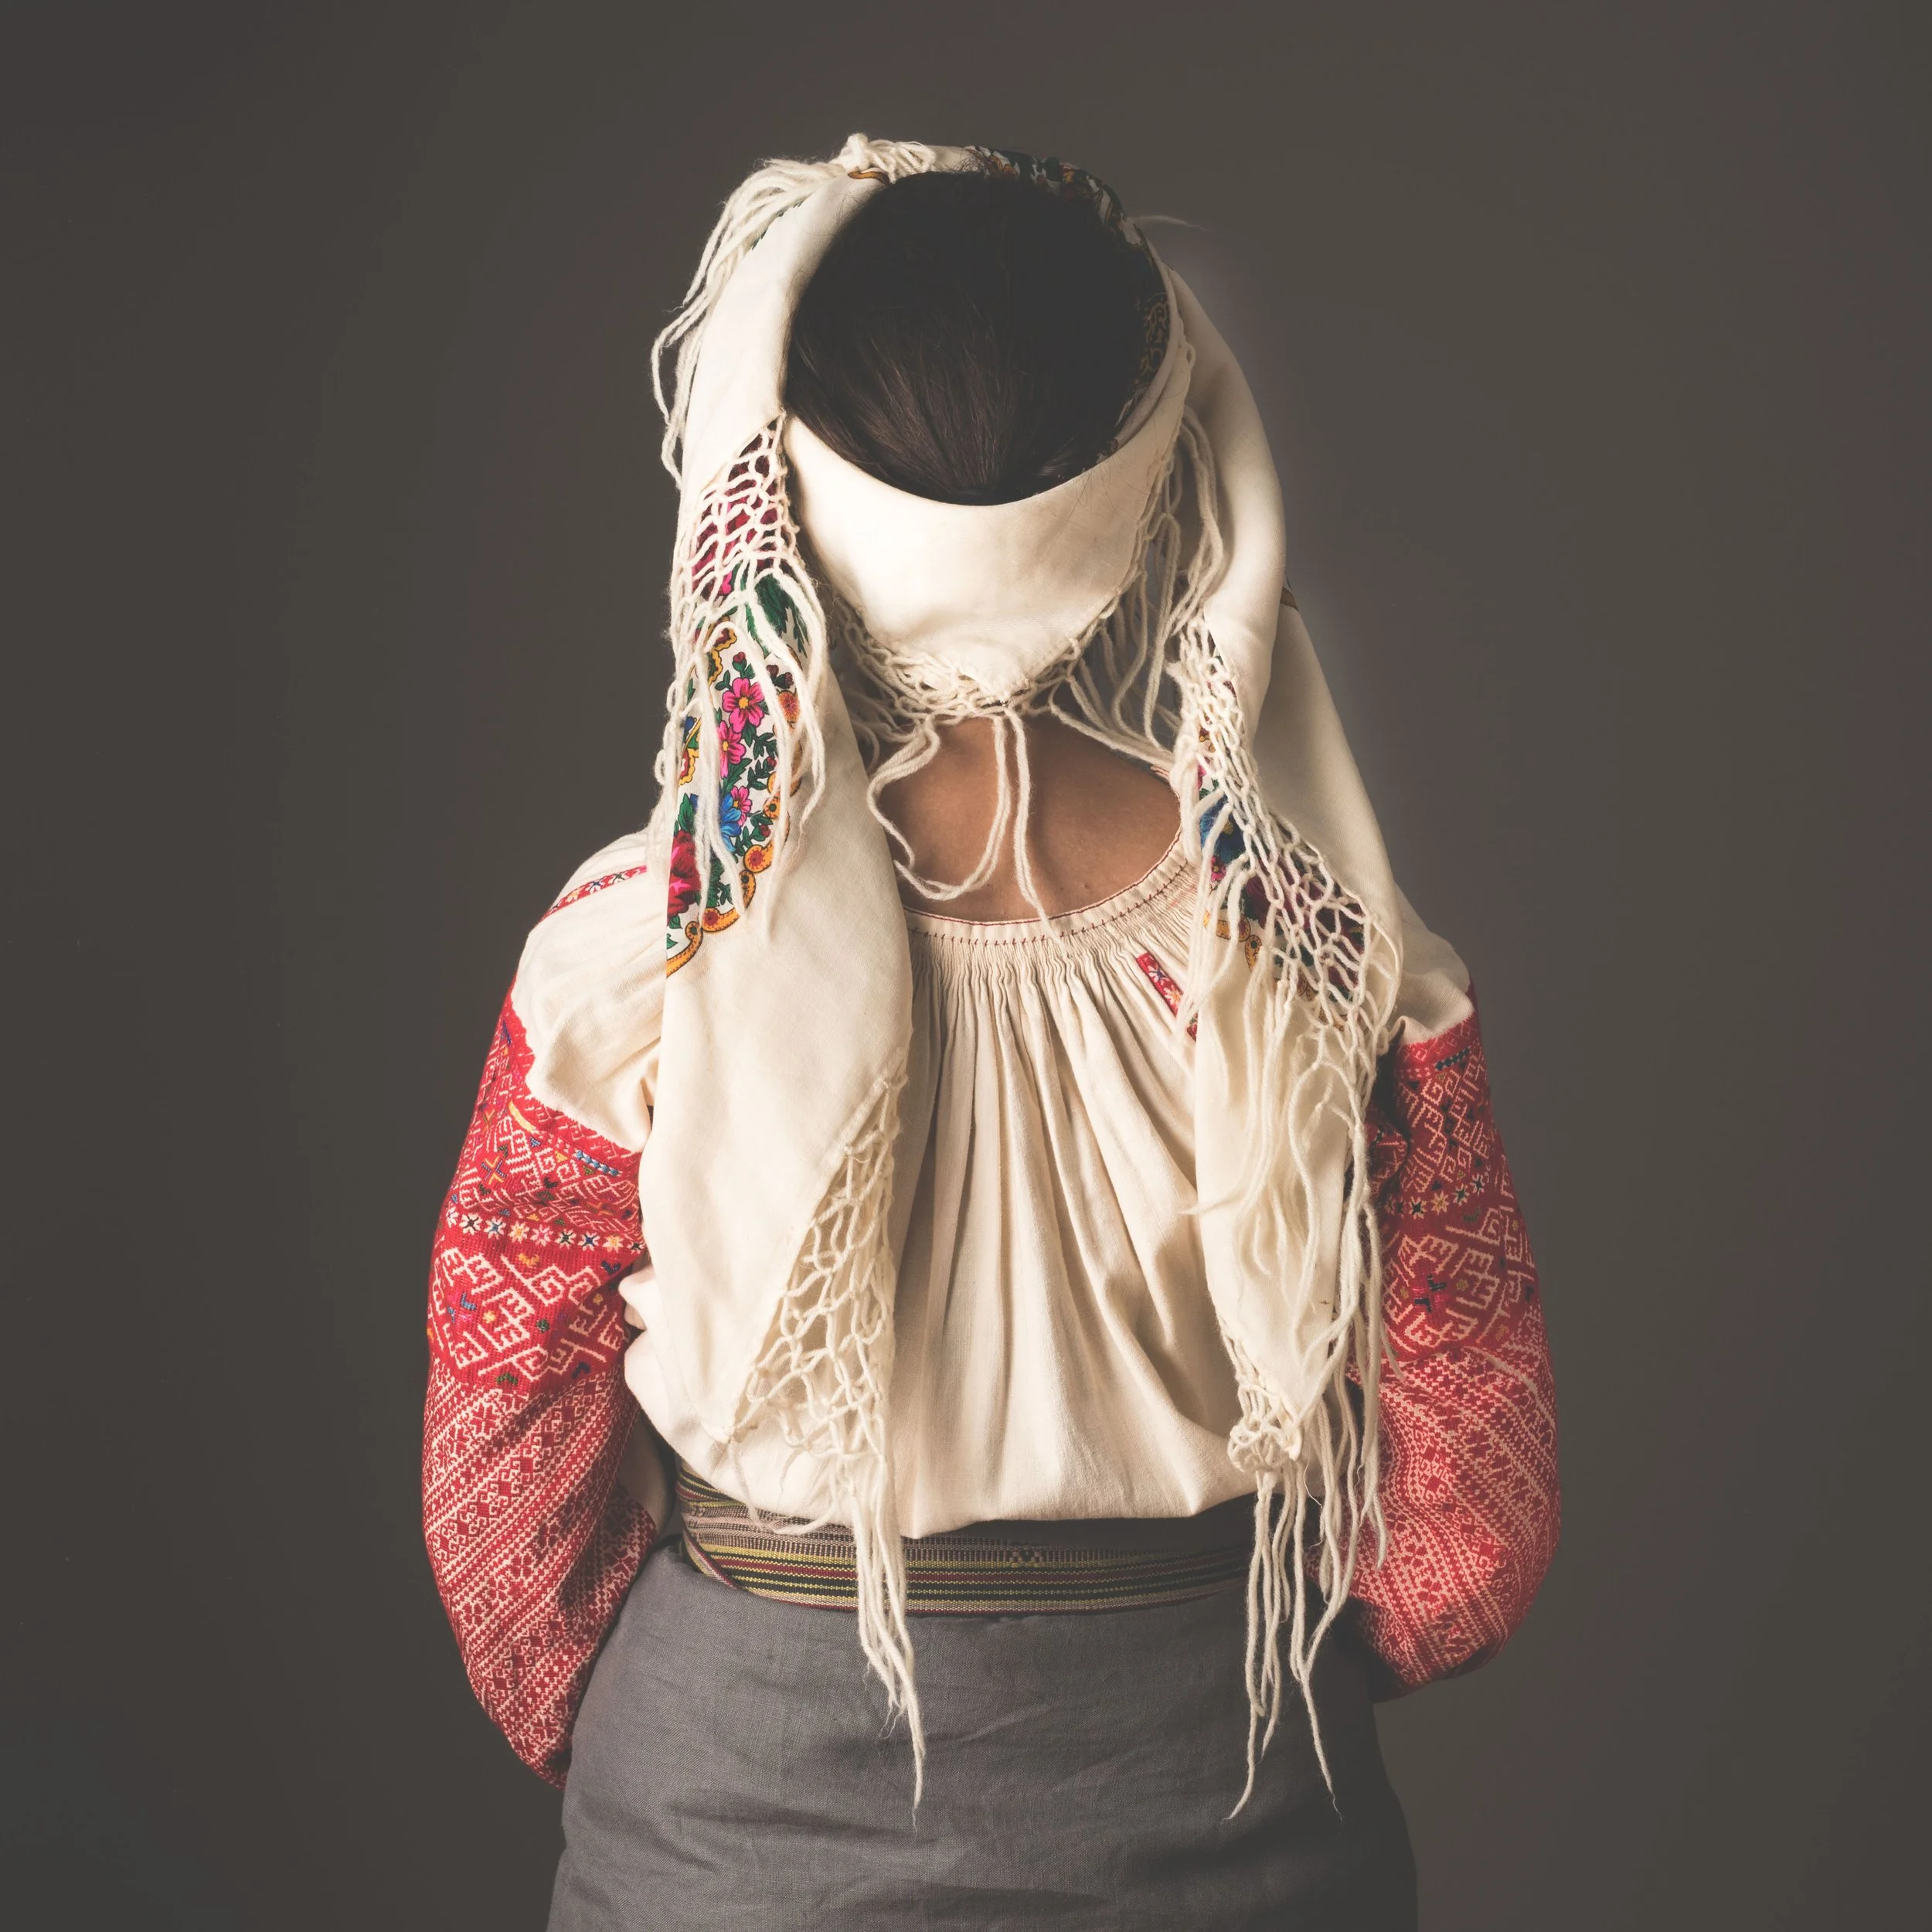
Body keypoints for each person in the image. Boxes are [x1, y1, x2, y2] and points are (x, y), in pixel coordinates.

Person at [421, 136, 1560, 1931]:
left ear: (788, 477)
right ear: (1144, 484)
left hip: (725, 1831)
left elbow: (503, 1472)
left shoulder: (640, 954)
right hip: (1238, 1818)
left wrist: (705, 1728)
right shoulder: (1331, 954)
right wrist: (1211, 1692)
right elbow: (1472, 1514)